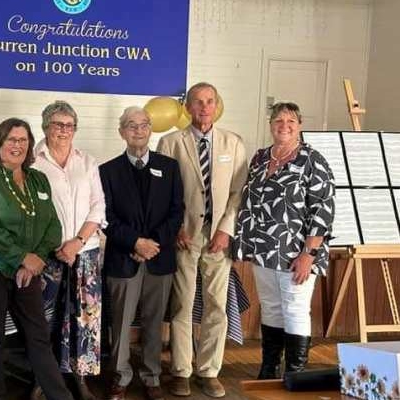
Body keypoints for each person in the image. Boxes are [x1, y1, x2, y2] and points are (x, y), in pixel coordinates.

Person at [0, 117, 75, 400]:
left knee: (39, 338)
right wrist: (22, 257)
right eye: (12, 139)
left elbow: (53, 226)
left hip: (29, 270)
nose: (18, 145)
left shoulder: (38, 179)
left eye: (23, 140)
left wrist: (35, 259)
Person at [156, 82, 248, 398]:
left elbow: (239, 192)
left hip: (218, 238)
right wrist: (175, 229)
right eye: (198, 101)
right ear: (187, 107)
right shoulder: (170, 143)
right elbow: (163, 193)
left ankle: (209, 371)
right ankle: (181, 371)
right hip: (184, 237)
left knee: (216, 307)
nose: (204, 107)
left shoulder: (233, 143)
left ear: (216, 105)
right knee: (182, 305)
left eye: (210, 101)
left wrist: (226, 230)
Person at [231, 102, 334, 379]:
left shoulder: (313, 160)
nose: (284, 126)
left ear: (299, 126)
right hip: (264, 249)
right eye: (278, 120)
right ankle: (269, 369)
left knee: (295, 309)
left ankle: (295, 373)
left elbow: (323, 209)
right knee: (271, 308)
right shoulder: (260, 158)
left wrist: (308, 254)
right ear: (270, 125)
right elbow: (249, 201)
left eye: (290, 121)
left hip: (297, 252)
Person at [100, 107, 184, 400]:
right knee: (121, 323)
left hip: (160, 258)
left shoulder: (169, 167)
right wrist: (135, 243)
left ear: (151, 129)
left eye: (144, 125)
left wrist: (152, 245)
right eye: (131, 125)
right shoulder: (107, 171)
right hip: (123, 258)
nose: (138, 130)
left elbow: (176, 212)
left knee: (154, 321)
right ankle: (120, 376)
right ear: (122, 132)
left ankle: (151, 376)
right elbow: (106, 216)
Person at [31, 101, 105, 400]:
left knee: (84, 318)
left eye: (69, 125)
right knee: (45, 318)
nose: (64, 130)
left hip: (85, 252)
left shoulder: (87, 162)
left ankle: (80, 378)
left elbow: (98, 206)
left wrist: (77, 242)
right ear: (45, 127)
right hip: (48, 255)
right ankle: (43, 379)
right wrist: (58, 246)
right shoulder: (32, 161)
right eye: (57, 124)